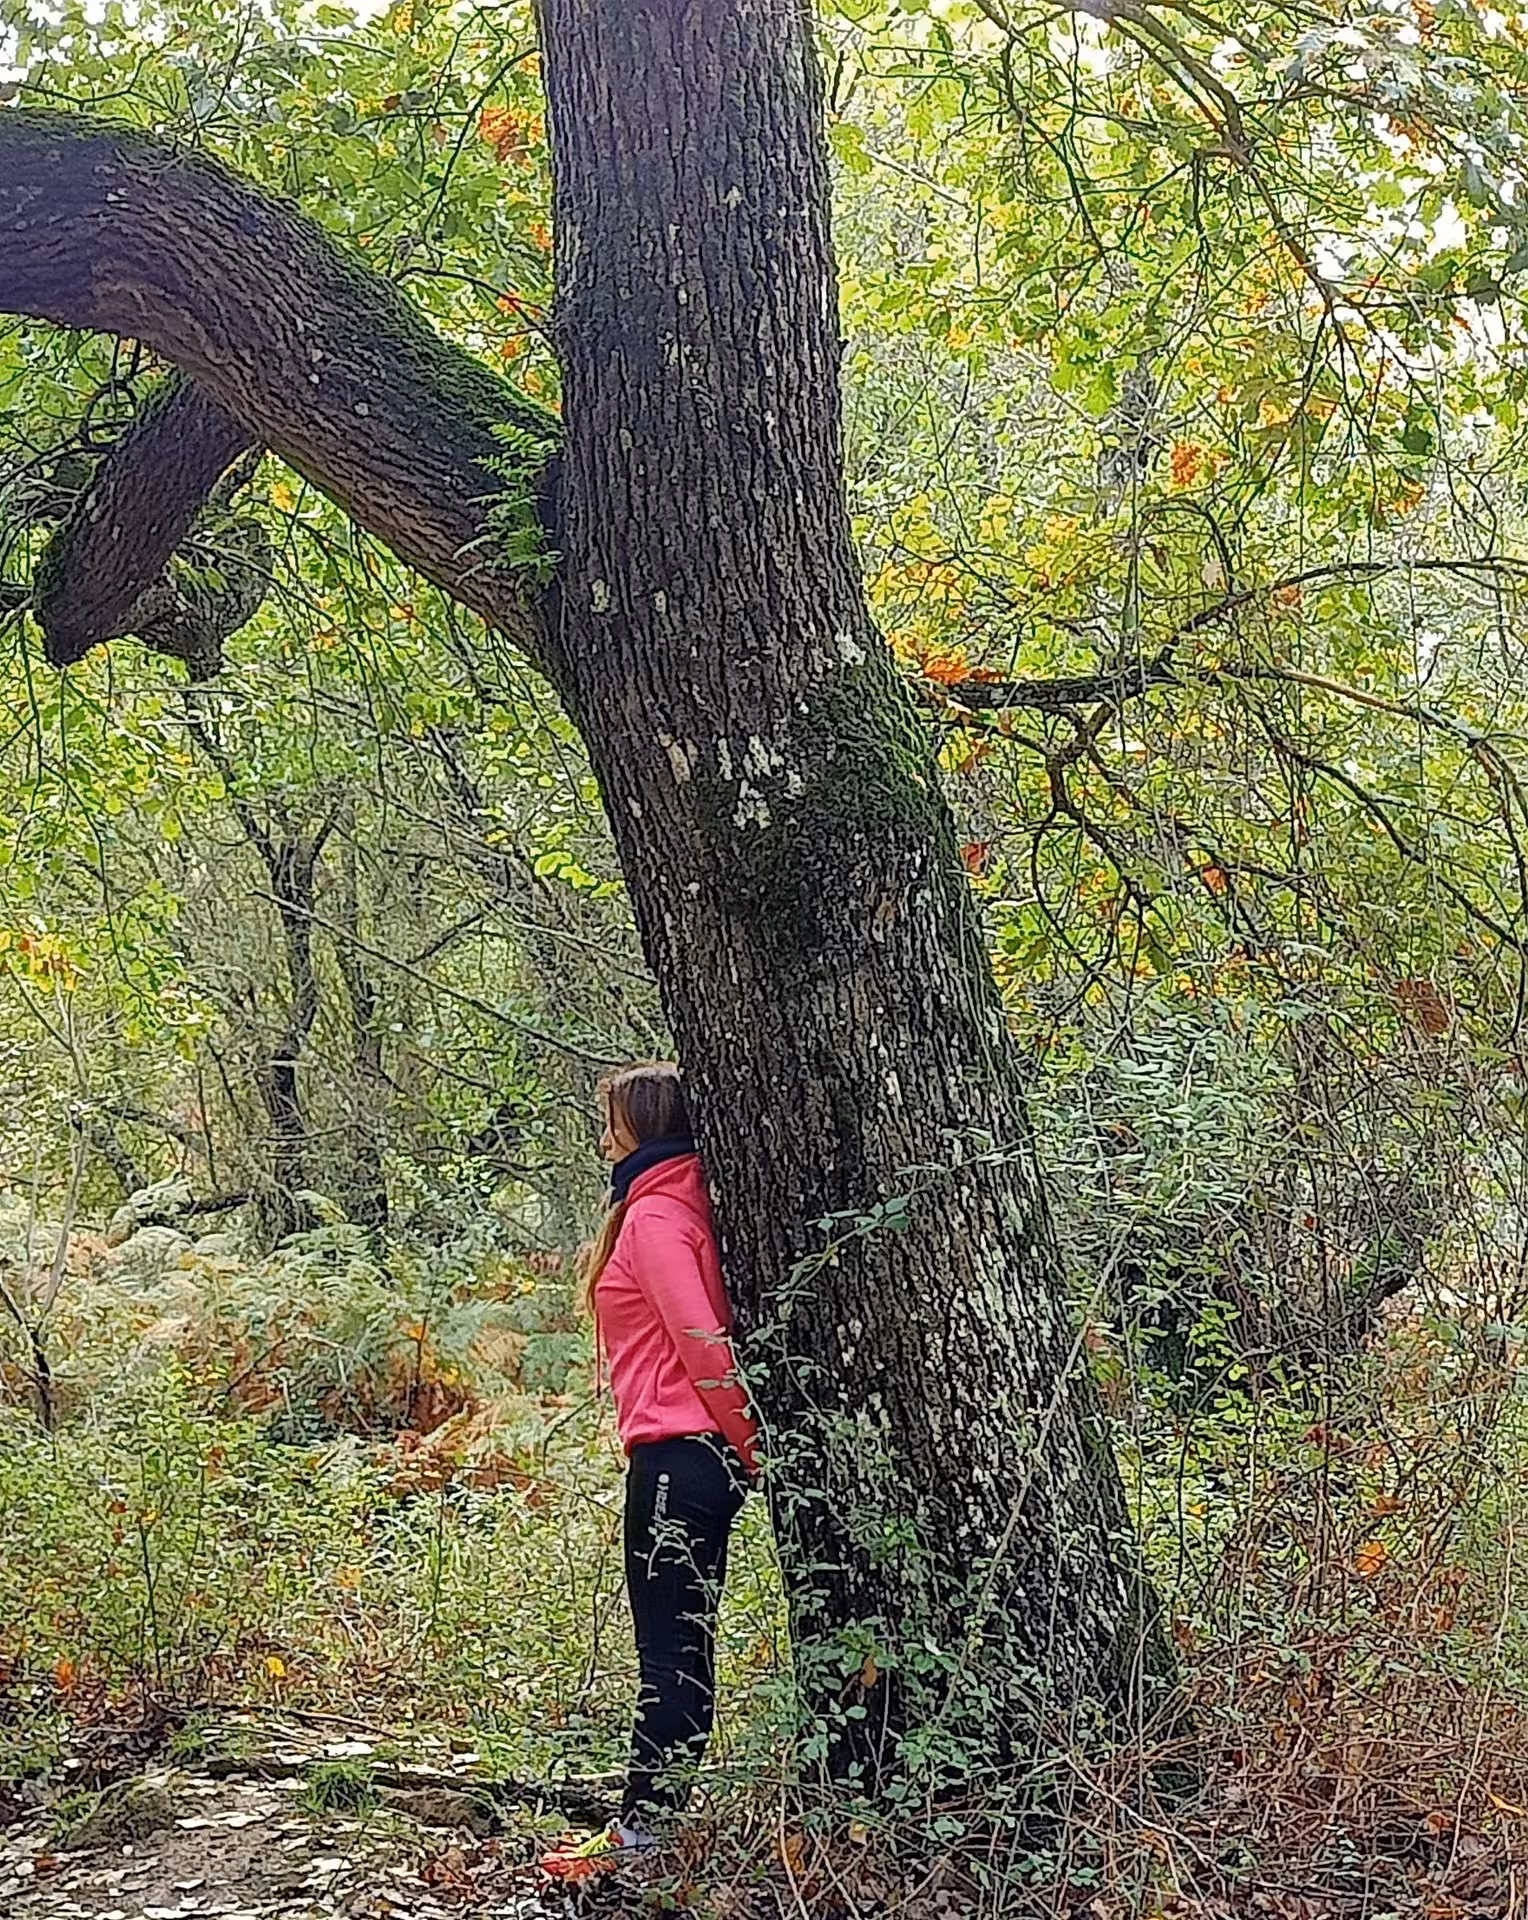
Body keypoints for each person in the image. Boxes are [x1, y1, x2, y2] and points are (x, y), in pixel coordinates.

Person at [541, 1062, 760, 1880]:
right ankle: (647, 1828)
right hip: (689, 1453)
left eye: (612, 1126)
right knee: (681, 1648)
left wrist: (753, 1447)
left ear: (647, 1129)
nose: (602, 1142)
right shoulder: (675, 1202)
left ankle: (641, 1840)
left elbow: (704, 1345)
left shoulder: (658, 1217)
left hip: (680, 1456)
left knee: (668, 1654)